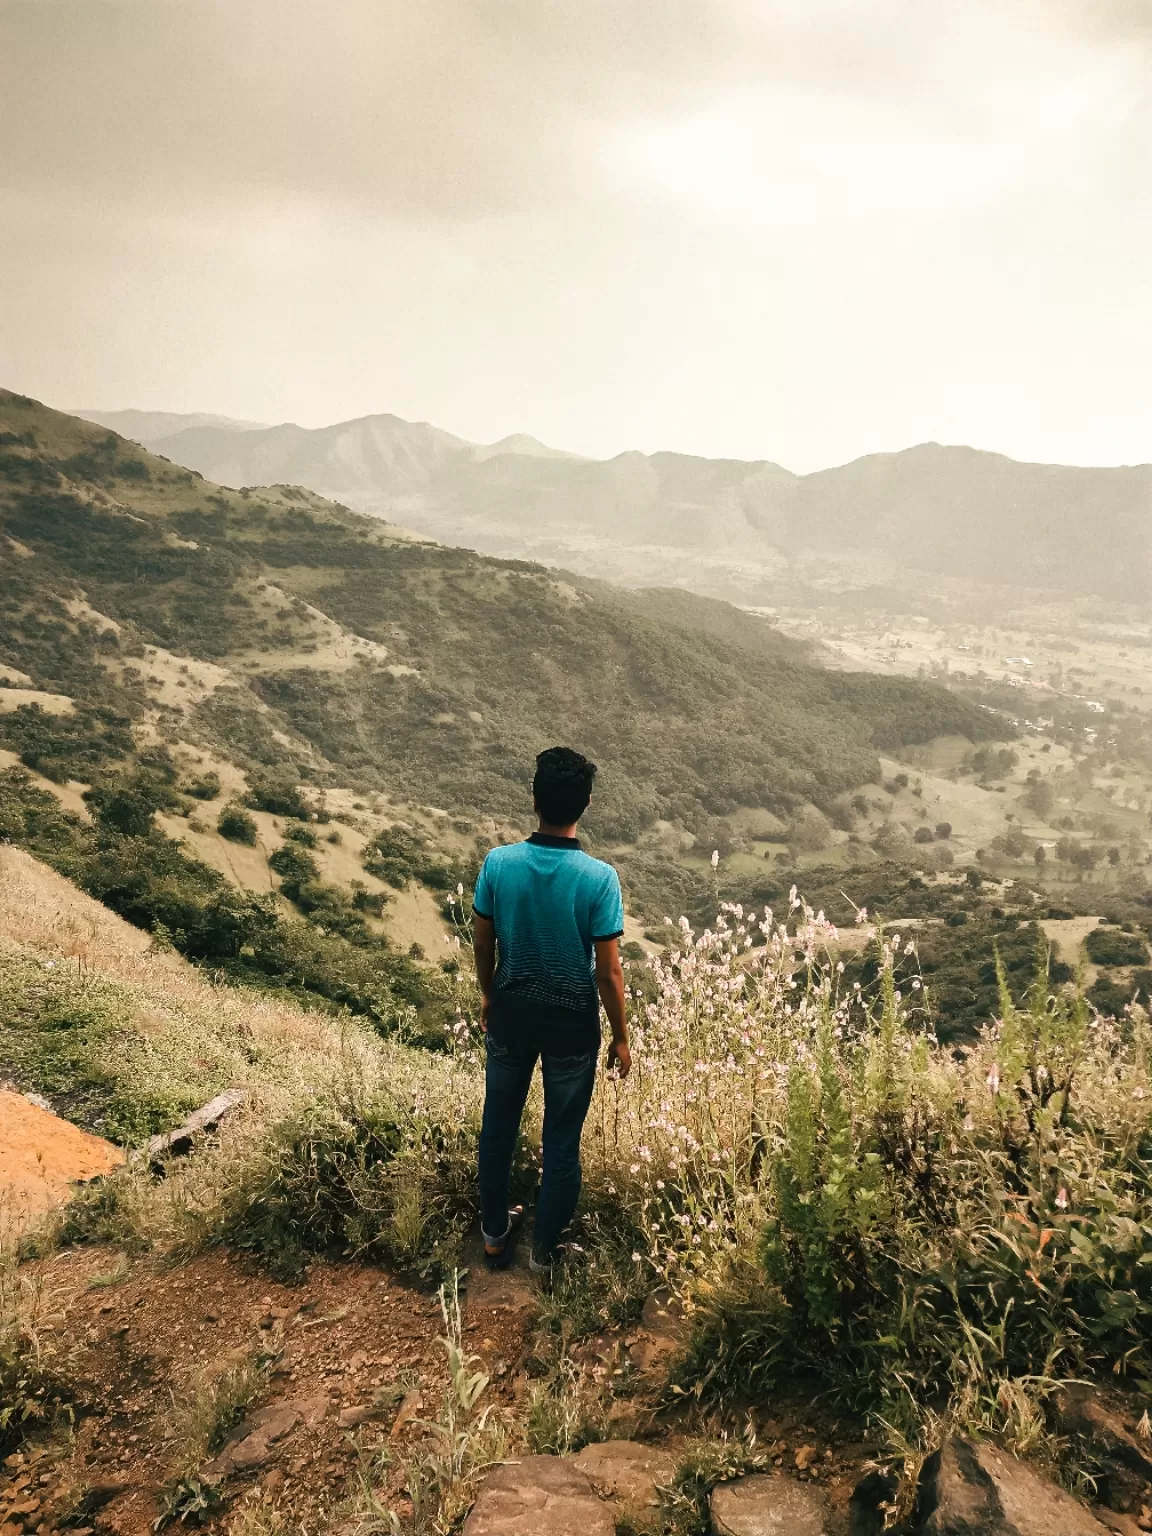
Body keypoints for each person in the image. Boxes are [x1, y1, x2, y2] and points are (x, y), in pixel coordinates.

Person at [472, 746, 630, 1273]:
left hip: (512, 1016)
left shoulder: (499, 864)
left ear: (534, 799)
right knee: (561, 1142)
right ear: (585, 805)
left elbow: (483, 939)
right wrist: (621, 1036)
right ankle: (543, 1254)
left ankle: (495, 1236)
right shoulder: (599, 879)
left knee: (498, 1127)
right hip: (570, 1027)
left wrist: (488, 993)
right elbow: (607, 974)